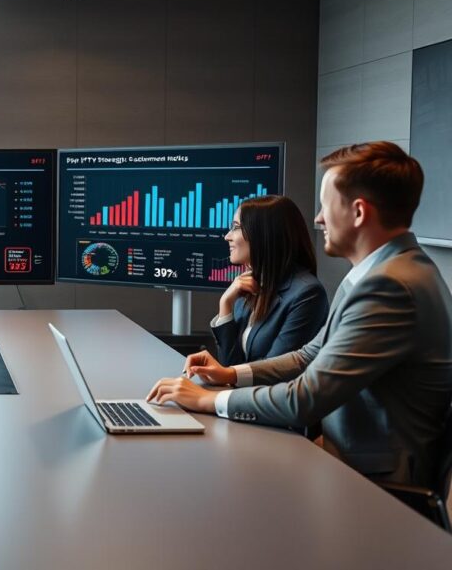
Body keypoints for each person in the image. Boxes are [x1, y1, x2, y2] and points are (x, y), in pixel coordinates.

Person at [147, 141, 452, 487]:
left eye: (325, 206)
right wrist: (231, 373)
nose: (318, 219)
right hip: (350, 462)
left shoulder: (389, 286)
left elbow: (305, 399)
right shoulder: (376, 273)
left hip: (377, 485)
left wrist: (209, 399)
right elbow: (309, 355)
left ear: (358, 213)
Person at [205, 195, 327, 368]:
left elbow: (273, 373)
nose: (227, 236)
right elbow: (230, 366)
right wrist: (225, 305)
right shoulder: (248, 284)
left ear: (263, 234)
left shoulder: (307, 294)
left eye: (236, 227)